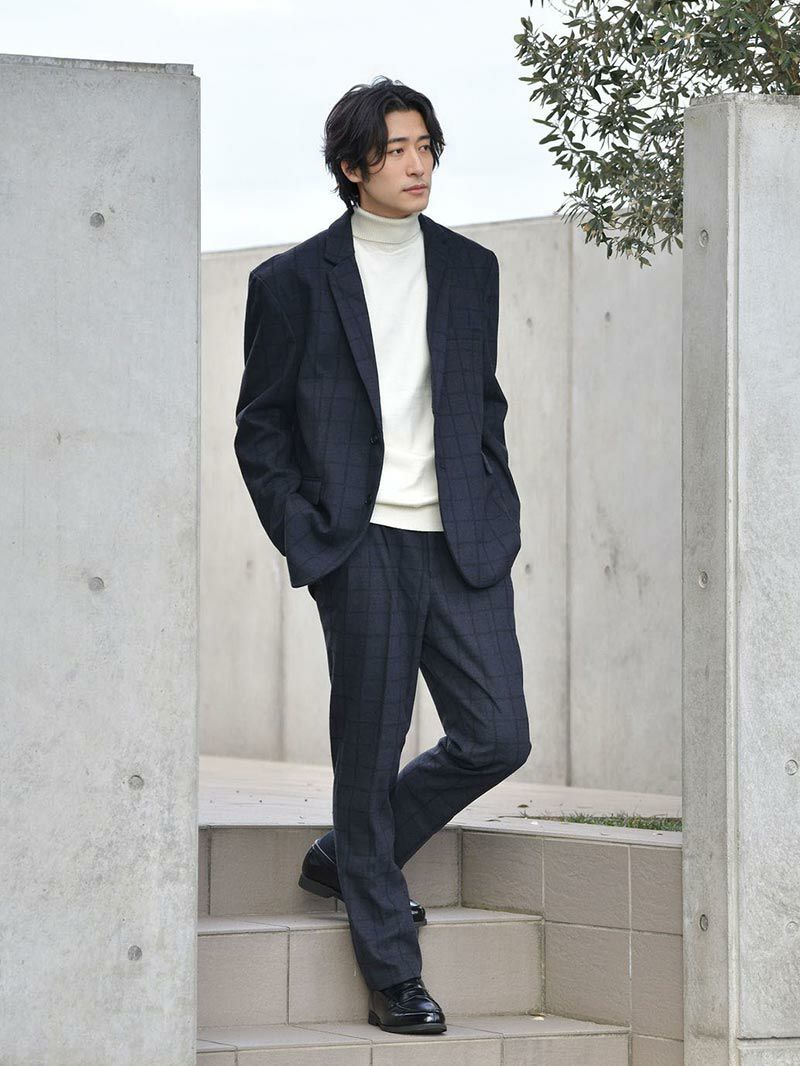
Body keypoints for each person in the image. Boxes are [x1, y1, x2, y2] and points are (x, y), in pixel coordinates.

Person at [234, 75, 531, 1036]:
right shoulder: (290, 283)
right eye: (397, 149)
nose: (417, 164)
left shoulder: (471, 270)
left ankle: (347, 857)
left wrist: (495, 503)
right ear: (352, 165)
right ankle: (393, 973)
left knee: (498, 734)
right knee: (367, 753)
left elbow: (481, 404)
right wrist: (309, 536)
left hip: (460, 540)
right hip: (358, 543)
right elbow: (260, 428)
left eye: (426, 146)